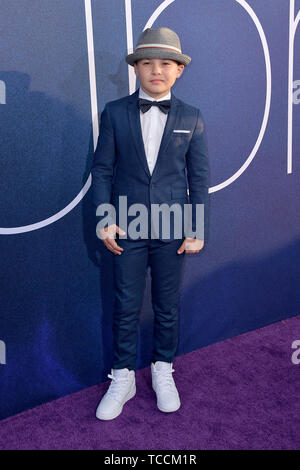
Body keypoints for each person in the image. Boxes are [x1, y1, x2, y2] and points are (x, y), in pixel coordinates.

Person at [91, 27, 210, 420]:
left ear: (178, 71)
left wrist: (196, 227)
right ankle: (122, 377)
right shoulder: (114, 112)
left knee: (166, 305)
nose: (155, 70)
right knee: (125, 305)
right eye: (146, 63)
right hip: (126, 226)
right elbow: (103, 171)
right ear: (136, 69)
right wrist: (105, 219)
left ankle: (163, 370)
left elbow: (199, 177)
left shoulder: (192, 116)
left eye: (165, 63)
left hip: (173, 227)